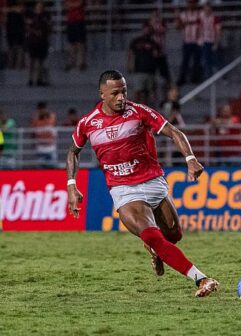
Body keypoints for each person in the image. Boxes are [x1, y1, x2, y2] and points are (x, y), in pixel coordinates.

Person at [65, 70, 219, 297]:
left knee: (174, 236)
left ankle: (156, 250)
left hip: (152, 180)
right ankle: (201, 279)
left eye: (124, 91)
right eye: (115, 93)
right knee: (152, 236)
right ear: (102, 94)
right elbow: (72, 153)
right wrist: (71, 184)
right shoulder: (88, 123)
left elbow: (174, 132)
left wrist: (190, 159)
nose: (121, 97)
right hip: (123, 190)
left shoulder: (138, 112)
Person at [31, 101, 57, 168]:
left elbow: (52, 128)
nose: (42, 111)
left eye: (43, 109)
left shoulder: (52, 116)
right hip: (40, 148)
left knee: (53, 168)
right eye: (40, 109)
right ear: (38, 110)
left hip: (51, 147)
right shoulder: (35, 119)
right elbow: (33, 132)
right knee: (40, 168)